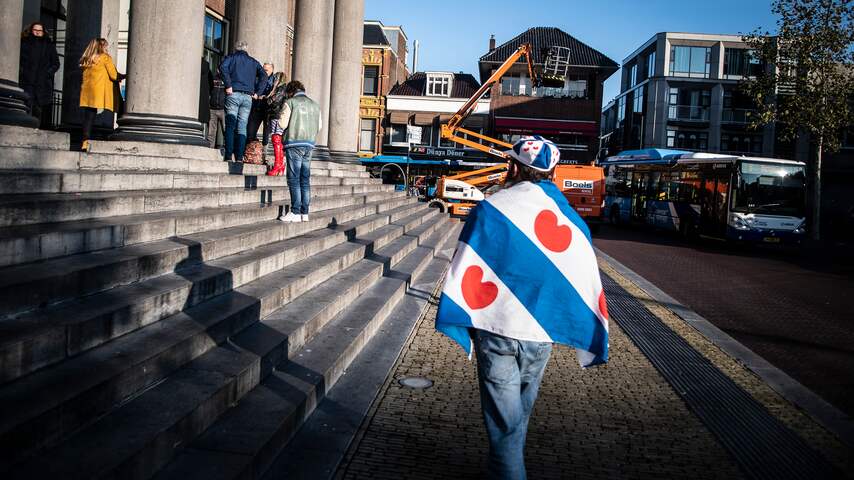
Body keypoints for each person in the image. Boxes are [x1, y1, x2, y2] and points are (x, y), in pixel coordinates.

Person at [435, 136, 610, 480]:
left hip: (496, 328)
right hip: (540, 334)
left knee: (506, 428)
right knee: (515, 422)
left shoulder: (490, 209)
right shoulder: (572, 221)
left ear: (513, 166)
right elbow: (581, 274)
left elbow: (466, 259)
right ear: (551, 172)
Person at [274, 80, 322, 223]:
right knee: (304, 178)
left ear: (291, 91)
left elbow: (282, 124)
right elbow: (319, 126)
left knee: (294, 178)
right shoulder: (315, 105)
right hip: (309, 144)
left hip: (294, 142)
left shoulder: (291, 102)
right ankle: (304, 213)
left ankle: (295, 211)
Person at [218, 41, 267, 162]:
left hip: (233, 93)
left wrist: (228, 84)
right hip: (247, 97)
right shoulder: (253, 62)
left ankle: (229, 156)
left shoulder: (232, 58)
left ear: (236, 48)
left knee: (230, 125)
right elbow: (264, 76)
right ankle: (239, 157)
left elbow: (222, 66)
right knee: (242, 127)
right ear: (246, 49)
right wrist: (258, 93)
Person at [78, 38, 123, 152]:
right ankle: (120, 133)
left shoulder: (86, 59)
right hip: (100, 92)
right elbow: (113, 75)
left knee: (89, 117)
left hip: (88, 92)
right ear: (101, 46)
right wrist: (123, 76)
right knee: (122, 108)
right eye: (106, 46)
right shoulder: (105, 58)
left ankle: (85, 142)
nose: (107, 48)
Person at [19, 22, 60, 129]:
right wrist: (22, 71)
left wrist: (47, 74)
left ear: (43, 32)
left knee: (38, 108)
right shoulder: (24, 43)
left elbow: (56, 63)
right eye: (35, 30)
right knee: (26, 105)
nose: (37, 32)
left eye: (39, 30)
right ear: (31, 30)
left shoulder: (49, 45)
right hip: (27, 80)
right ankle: (25, 127)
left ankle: (36, 128)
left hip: (42, 82)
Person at [263, 72, 288, 176]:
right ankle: (280, 166)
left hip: (276, 115)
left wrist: (267, 99)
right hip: (278, 115)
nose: (274, 80)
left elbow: (274, 101)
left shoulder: (280, 89)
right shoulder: (283, 89)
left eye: (275, 78)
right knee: (278, 140)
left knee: (276, 139)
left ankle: (277, 166)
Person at [246, 62, 275, 146]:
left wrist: (266, 97)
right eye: (263, 69)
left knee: (266, 134)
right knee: (250, 131)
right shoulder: (257, 78)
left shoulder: (275, 80)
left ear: (272, 70)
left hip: (268, 108)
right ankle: (251, 151)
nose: (264, 71)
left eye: (266, 70)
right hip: (257, 106)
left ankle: (264, 155)